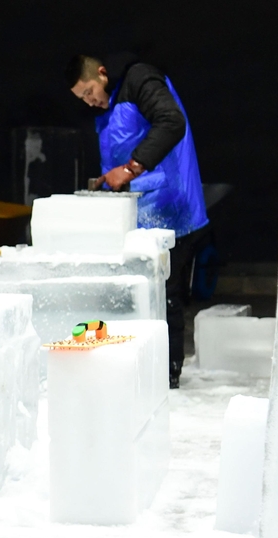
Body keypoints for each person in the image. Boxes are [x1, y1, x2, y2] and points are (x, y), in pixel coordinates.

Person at [66, 53, 208, 388]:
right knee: (135, 295)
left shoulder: (140, 78)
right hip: (141, 214)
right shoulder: (109, 107)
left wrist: (130, 169)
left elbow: (172, 121)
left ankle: (166, 378)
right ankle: (131, 370)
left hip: (173, 209)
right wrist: (109, 180)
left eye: (89, 92)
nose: (89, 102)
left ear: (102, 74)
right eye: (82, 99)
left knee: (165, 294)